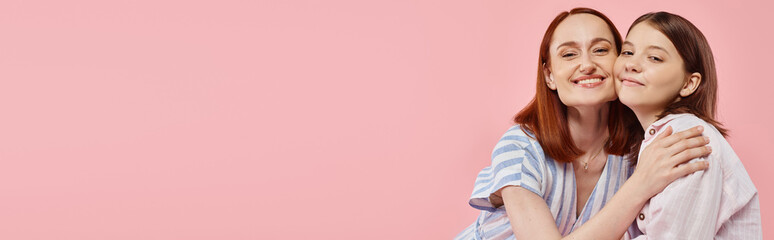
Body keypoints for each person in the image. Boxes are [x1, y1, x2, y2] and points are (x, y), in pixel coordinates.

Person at [456, 8, 711, 240]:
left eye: (601, 50)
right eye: (569, 54)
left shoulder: (642, 148)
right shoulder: (520, 148)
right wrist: (641, 184)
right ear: (549, 76)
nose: (587, 65)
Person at [615, 11, 761, 239]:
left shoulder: (687, 139)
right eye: (628, 52)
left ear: (689, 83)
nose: (632, 64)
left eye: (654, 58)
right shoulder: (652, 141)